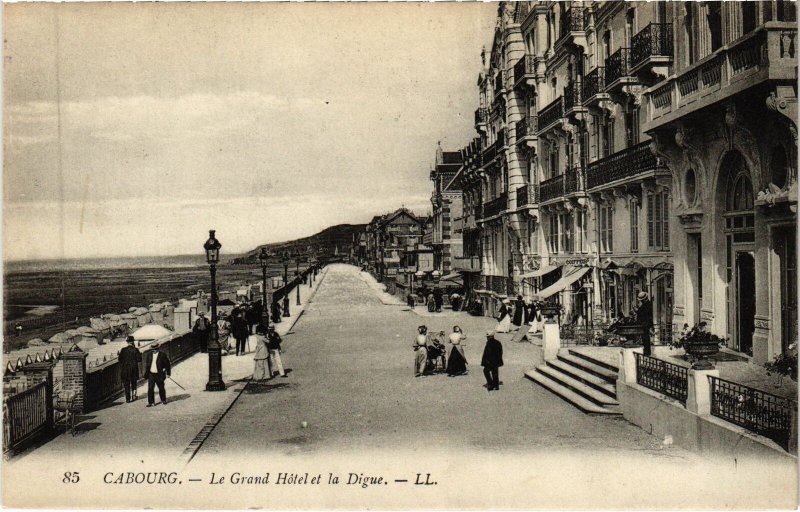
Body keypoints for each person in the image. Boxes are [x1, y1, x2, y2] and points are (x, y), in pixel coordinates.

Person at [143, 340, 171, 407]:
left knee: (161, 387)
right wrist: (146, 374)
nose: (153, 351)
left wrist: (168, 373)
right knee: (150, 388)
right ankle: (151, 402)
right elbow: (147, 365)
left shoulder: (162, 355)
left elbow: (167, 364)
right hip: (151, 374)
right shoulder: (149, 355)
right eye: (152, 349)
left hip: (159, 374)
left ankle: (163, 400)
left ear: (158, 349)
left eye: (155, 349)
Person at [118, 336, 142, 403]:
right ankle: (134, 396)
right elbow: (139, 359)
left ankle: (128, 399)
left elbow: (120, 359)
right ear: (133, 341)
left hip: (125, 370)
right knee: (134, 383)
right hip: (134, 370)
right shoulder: (135, 349)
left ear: (127, 342)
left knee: (126, 384)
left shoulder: (123, 350)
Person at [635, 291, 653, 356]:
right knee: (644, 338)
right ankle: (646, 351)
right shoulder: (645, 304)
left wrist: (637, 310)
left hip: (646, 324)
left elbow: (644, 314)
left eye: (641, 300)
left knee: (646, 338)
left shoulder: (647, 304)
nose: (641, 301)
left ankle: (647, 352)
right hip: (644, 324)